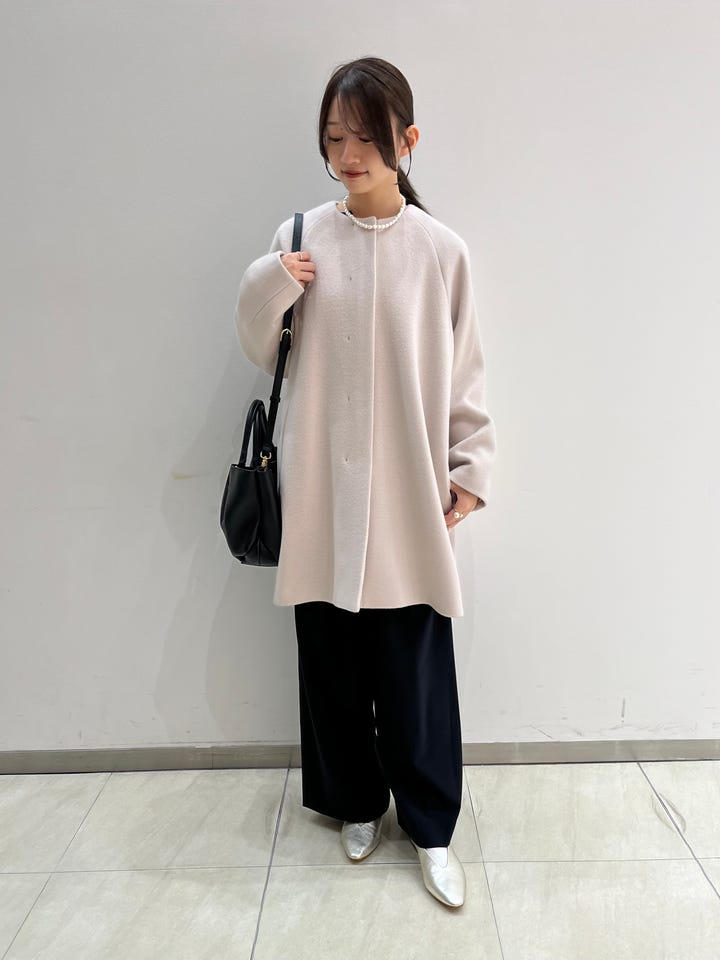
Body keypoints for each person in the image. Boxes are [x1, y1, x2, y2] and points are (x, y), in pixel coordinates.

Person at [234, 56, 496, 908]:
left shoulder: (441, 251)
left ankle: (431, 826)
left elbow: (466, 370)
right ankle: (353, 801)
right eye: (334, 138)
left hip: (410, 492)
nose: (347, 156)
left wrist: (470, 466)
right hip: (320, 486)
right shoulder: (301, 236)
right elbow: (260, 349)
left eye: (366, 139)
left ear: (407, 140)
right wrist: (274, 282)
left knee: (414, 667)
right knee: (331, 662)